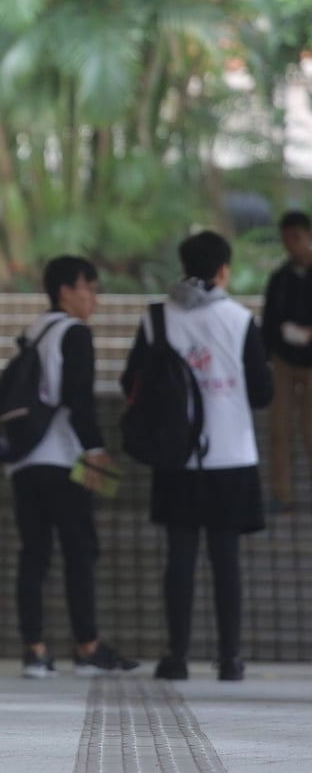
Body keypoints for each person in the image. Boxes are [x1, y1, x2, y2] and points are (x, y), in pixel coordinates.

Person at [121, 231, 273, 681]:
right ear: (223, 270)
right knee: (226, 559)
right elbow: (263, 393)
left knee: (180, 558)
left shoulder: (157, 319)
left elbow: (131, 382)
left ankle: (176, 656)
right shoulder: (241, 319)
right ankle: (230, 658)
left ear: (183, 267)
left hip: (176, 456)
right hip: (231, 454)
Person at [7, 256, 138, 679]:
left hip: (24, 461)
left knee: (34, 554)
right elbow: (78, 397)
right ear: (66, 289)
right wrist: (96, 450)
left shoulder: (34, 331)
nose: (94, 297)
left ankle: (35, 651)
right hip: (65, 458)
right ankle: (87, 647)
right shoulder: (75, 333)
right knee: (80, 550)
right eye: (89, 287)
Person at [261, 210, 312, 515]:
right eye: (286, 239)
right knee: (279, 429)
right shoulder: (279, 278)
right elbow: (268, 321)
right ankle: (282, 494)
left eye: (296, 237)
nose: (291, 244)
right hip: (282, 361)